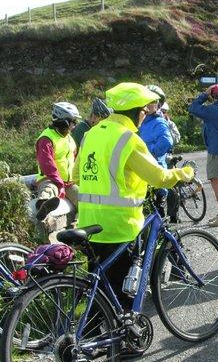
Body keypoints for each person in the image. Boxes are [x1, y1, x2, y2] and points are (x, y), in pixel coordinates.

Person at [73, 82, 194, 314]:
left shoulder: (91, 134)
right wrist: (185, 174)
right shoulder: (128, 138)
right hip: (120, 225)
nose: (143, 116)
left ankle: (95, 341)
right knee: (123, 293)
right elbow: (158, 177)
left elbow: (76, 174)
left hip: (89, 221)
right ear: (136, 112)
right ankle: (125, 346)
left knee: (100, 292)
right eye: (143, 111)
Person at [188, 83, 218, 227]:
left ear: (213, 96)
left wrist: (204, 94)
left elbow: (193, 107)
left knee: (216, 182)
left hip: (216, 149)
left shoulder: (211, 110)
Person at [34, 102, 82, 221]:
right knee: (49, 189)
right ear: (64, 121)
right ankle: (43, 205)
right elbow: (46, 163)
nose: (75, 125)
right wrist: (59, 183)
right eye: (73, 121)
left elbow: (74, 160)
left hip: (69, 183)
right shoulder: (46, 138)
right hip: (50, 179)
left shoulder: (69, 139)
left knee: (83, 199)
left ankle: (81, 223)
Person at [139, 85, 174, 217]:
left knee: (155, 217)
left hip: (154, 172)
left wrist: (147, 152)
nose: (148, 104)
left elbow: (166, 142)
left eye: (152, 101)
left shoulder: (159, 122)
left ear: (158, 104)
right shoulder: (141, 121)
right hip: (142, 172)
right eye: (146, 100)